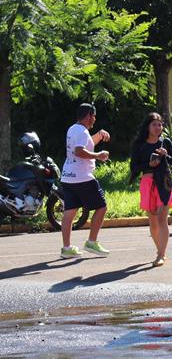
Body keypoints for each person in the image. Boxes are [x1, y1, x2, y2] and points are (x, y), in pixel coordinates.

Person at [59, 103, 112, 259]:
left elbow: (85, 143)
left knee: (70, 212)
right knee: (102, 207)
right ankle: (92, 241)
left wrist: (99, 135)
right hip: (82, 177)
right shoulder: (82, 132)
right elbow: (79, 150)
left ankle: (67, 248)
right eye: (94, 116)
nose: (94, 119)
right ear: (89, 115)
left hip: (68, 176)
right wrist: (98, 155)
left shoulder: (73, 129)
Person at [129, 113, 172, 266]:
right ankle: (160, 251)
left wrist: (166, 156)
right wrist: (148, 165)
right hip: (147, 182)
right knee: (153, 221)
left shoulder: (166, 142)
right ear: (148, 126)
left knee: (162, 219)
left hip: (163, 182)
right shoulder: (139, 144)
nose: (158, 127)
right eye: (154, 124)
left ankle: (161, 255)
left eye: (160, 124)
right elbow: (133, 167)